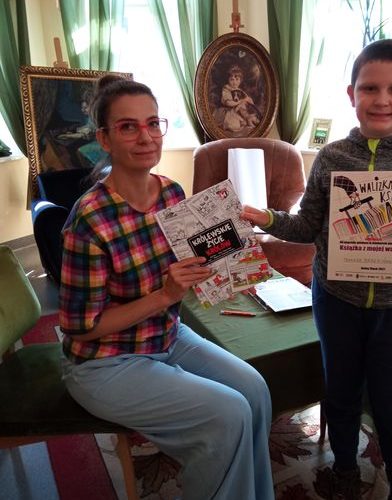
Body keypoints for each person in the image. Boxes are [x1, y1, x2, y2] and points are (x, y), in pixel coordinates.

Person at [241, 39, 392, 500]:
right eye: (369, 88)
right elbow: (306, 226)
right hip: (336, 301)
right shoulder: (332, 158)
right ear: (351, 94)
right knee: (339, 393)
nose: (382, 100)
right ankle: (343, 469)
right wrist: (268, 219)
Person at [59, 75, 274, 500]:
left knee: (254, 390)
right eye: (128, 127)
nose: (146, 137)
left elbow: (195, 265)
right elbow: (82, 327)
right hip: (105, 361)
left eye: (153, 123)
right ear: (104, 138)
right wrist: (164, 295)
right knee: (228, 414)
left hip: (166, 334)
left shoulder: (172, 194)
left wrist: (232, 259)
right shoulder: (89, 221)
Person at [221, 65, 260, 132]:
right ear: (228, 80)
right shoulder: (226, 89)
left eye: (237, 79)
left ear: (240, 81)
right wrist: (241, 101)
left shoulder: (240, 91)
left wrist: (249, 100)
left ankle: (247, 120)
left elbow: (248, 99)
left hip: (241, 112)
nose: (234, 82)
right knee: (234, 125)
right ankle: (241, 121)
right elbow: (228, 103)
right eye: (232, 79)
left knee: (248, 118)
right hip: (230, 111)